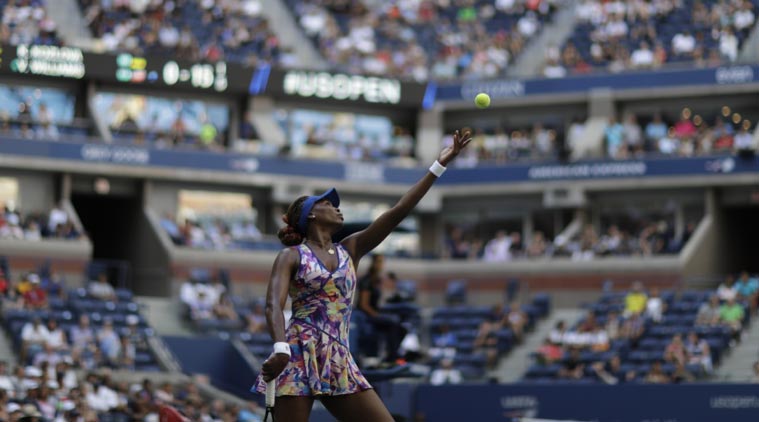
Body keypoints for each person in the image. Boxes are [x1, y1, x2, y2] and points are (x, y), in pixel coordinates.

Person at [251, 130, 472, 421]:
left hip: (339, 355)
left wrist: (438, 165)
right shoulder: (291, 255)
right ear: (311, 216)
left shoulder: (351, 249)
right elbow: (273, 305)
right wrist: (280, 348)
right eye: (328, 204)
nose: (336, 207)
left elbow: (398, 212)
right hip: (296, 354)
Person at [356, 254, 406, 364]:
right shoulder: (366, 280)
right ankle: (392, 357)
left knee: (402, 327)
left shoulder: (377, 280)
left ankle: (391, 354)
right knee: (393, 322)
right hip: (365, 315)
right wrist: (376, 315)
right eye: (379, 262)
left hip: (374, 313)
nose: (381, 265)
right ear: (373, 263)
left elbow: (378, 302)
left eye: (382, 262)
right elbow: (364, 305)